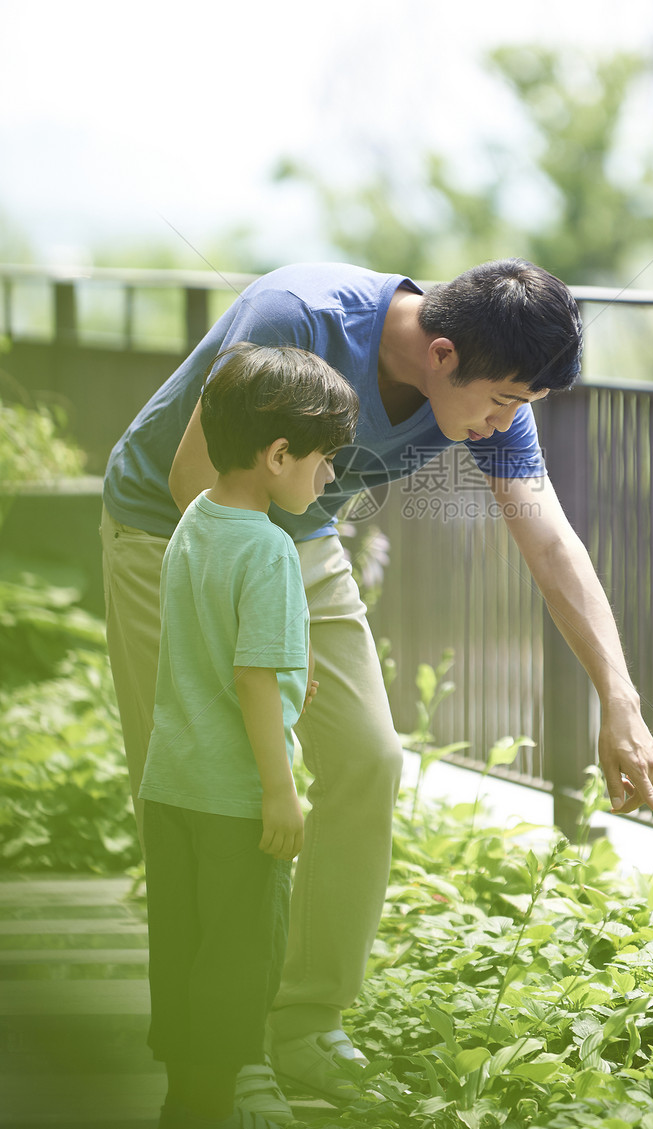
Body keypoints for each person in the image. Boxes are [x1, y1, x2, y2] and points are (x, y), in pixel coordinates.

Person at [101, 257, 653, 1111]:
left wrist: (618, 699)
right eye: (504, 401)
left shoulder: (484, 399)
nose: (502, 423)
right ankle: (224, 1054)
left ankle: (303, 1021)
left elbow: (550, 540)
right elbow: (198, 481)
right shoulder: (296, 317)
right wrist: (262, 648)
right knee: (212, 799)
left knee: (368, 758)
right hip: (180, 532)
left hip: (295, 537)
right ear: (441, 353)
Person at [138, 342, 359, 1129]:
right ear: (277, 455)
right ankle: (208, 1104)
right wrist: (281, 790)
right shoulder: (268, 548)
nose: (329, 477)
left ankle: (183, 1102)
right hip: (236, 799)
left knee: (185, 947)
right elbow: (254, 677)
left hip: (171, 787)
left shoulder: (196, 518)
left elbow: (218, 646)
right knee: (239, 961)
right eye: (325, 460)